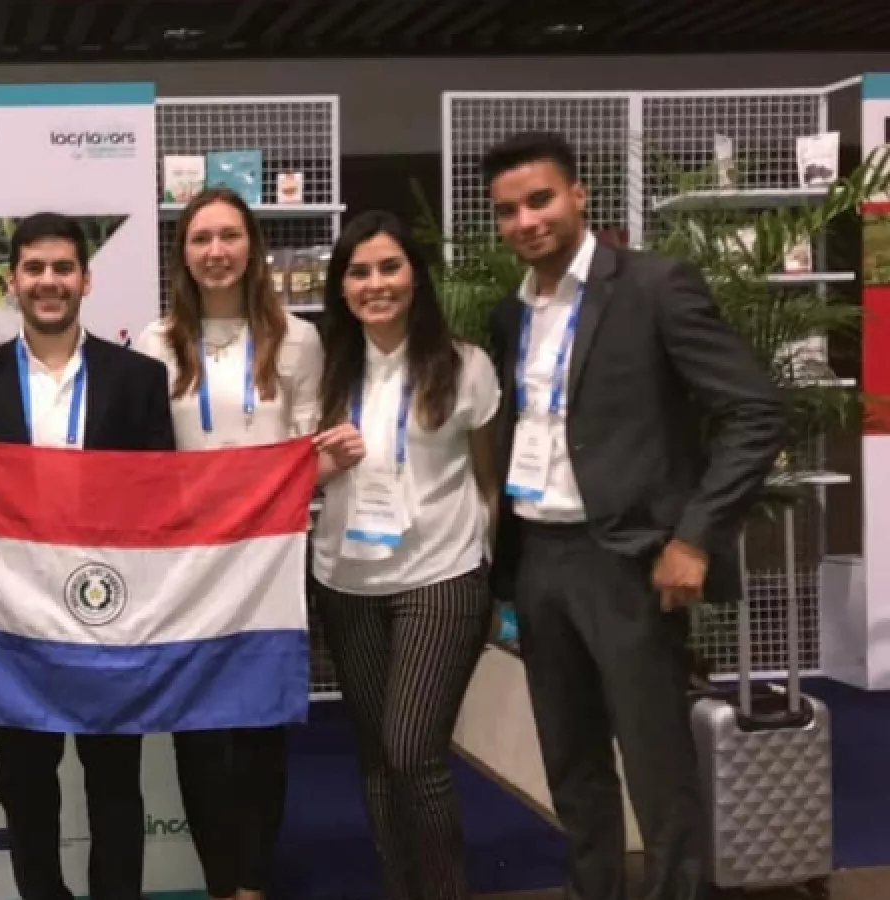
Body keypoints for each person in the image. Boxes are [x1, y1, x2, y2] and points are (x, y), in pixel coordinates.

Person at [481, 131, 786, 900]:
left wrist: (694, 538)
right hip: (538, 557)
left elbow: (755, 411)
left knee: (656, 762)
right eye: (509, 210)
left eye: (540, 200)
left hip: (627, 560)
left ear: (579, 195)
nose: (526, 221)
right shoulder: (511, 315)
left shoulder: (654, 286)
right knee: (570, 760)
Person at [0, 212, 176, 900]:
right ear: (12, 280)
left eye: (63, 268)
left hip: (112, 614)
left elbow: (159, 499)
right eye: (35, 268)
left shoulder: (138, 378)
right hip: (13, 622)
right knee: (24, 782)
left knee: (115, 781)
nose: (50, 281)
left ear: (86, 280)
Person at [133, 187, 323, 900]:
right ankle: (221, 883)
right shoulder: (156, 342)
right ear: (182, 254)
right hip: (187, 566)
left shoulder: (299, 339)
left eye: (230, 236)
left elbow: (305, 450)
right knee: (198, 731)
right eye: (201, 238)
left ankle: (252, 883)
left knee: (259, 727)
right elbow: (148, 461)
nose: (216, 251)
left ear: (253, 247)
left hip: (268, 561)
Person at [308, 210, 501, 900]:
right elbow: (298, 475)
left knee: (413, 751)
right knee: (375, 757)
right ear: (342, 286)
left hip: (440, 576)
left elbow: (488, 478)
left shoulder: (465, 365)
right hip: (344, 579)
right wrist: (323, 466)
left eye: (389, 267)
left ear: (415, 275)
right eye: (359, 272)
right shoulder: (322, 367)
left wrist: (493, 575)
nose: (376, 284)